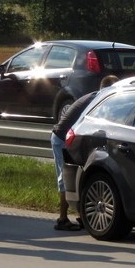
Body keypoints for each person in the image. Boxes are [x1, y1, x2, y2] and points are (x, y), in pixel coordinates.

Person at [50, 75, 118, 231]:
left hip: (72, 138)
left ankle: (83, 216)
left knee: (80, 174)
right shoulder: (97, 100)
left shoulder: (96, 98)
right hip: (62, 138)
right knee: (66, 177)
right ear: (106, 88)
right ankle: (62, 219)